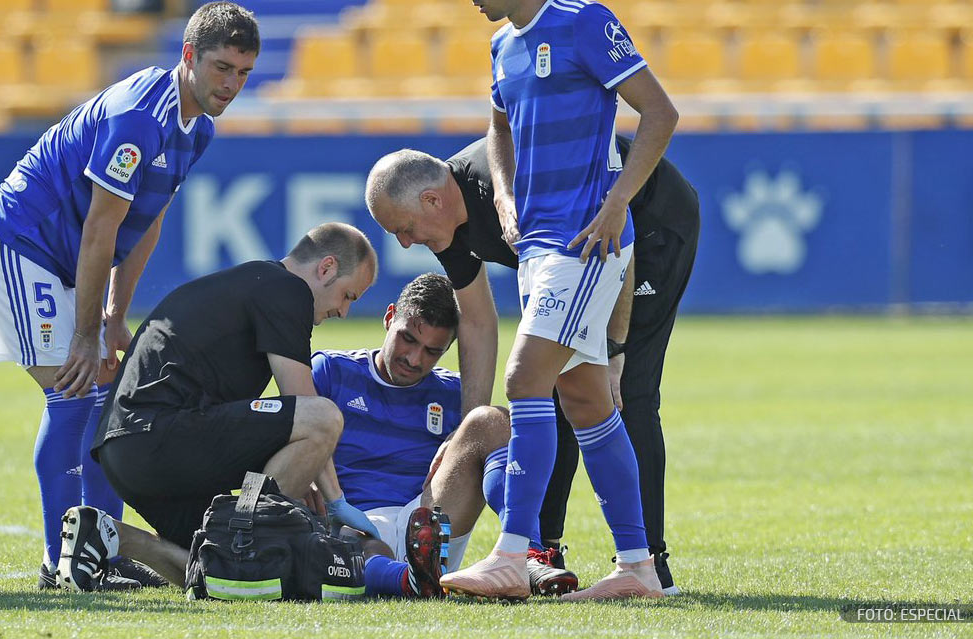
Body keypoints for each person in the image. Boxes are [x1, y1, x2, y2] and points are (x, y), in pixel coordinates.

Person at [371, 0, 679, 600]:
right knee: (586, 399)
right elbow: (499, 125)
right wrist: (507, 198)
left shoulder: (583, 20)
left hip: (583, 241)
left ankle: (514, 554)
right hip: (539, 249)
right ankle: (637, 566)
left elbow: (660, 113)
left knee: (524, 379)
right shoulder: (503, 47)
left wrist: (617, 205)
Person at [0, 2, 258, 589]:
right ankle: (62, 563)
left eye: (244, 73)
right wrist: (85, 330)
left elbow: (147, 222)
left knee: (104, 396)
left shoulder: (197, 127)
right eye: (223, 67)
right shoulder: (139, 119)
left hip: (60, 259)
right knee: (78, 390)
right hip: (17, 244)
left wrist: (114, 317)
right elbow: (100, 229)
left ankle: (97, 550)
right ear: (189, 55)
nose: (232, 84)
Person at [53, 223, 378, 591]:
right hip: (158, 436)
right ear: (326, 268)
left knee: (219, 573)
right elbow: (306, 404)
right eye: (348, 296)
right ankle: (250, 540)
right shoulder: (287, 288)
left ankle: (109, 534)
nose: (345, 311)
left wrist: (304, 464)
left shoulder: (251, 281)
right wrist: (336, 502)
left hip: (125, 450)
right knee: (324, 417)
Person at [312, 273, 579, 598]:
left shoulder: (453, 392)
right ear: (389, 317)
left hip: (428, 520)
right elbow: (293, 439)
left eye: (431, 351)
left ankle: (527, 553)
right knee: (359, 544)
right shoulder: (330, 370)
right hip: (353, 520)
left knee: (491, 420)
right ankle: (411, 580)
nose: (414, 359)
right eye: (408, 339)